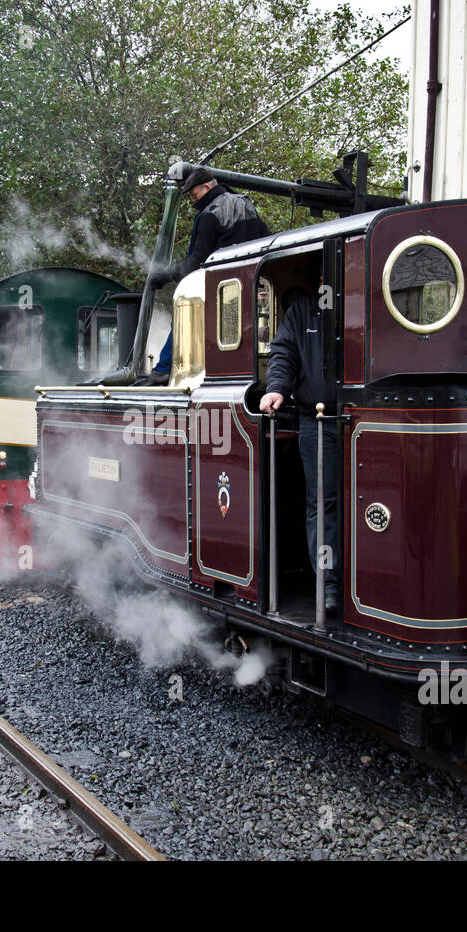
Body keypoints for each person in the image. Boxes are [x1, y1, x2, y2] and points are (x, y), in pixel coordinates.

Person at [140, 168, 271, 384]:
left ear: (207, 187)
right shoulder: (246, 203)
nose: (193, 201)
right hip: (249, 283)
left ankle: (163, 370)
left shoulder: (210, 213)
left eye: (194, 195)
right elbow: (266, 238)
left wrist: (165, 275)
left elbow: (196, 260)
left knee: (184, 317)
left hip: (217, 283)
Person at [259, 286, 340, 615]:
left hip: (369, 418)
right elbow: (283, 354)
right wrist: (276, 388)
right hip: (318, 420)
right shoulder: (301, 310)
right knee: (323, 504)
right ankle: (329, 584)